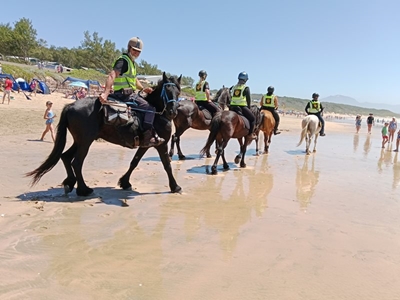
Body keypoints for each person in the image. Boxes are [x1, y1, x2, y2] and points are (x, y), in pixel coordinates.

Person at [99, 37, 163, 148]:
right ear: (129, 48)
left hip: (129, 93)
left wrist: (143, 89)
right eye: (134, 50)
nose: (136, 53)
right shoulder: (123, 61)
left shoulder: (132, 63)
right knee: (150, 109)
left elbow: (134, 80)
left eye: (138, 51)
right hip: (124, 95)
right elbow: (112, 75)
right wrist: (105, 93)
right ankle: (148, 137)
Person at [229, 71, 256, 139]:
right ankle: (250, 134)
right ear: (245, 79)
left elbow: (230, 96)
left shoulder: (233, 87)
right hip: (241, 106)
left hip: (232, 107)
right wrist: (249, 107)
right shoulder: (245, 88)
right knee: (253, 119)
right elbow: (248, 99)